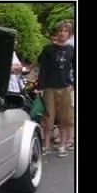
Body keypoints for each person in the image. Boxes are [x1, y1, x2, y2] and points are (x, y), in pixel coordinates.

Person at [37, 21, 75, 157]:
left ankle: (62, 146)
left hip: (65, 87)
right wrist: (40, 87)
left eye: (65, 31)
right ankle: (46, 146)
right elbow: (43, 69)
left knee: (65, 118)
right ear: (57, 33)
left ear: (69, 34)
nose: (62, 33)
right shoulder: (48, 49)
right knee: (49, 117)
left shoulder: (71, 49)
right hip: (49, 87)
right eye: (60, 31)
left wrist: (74, 85)